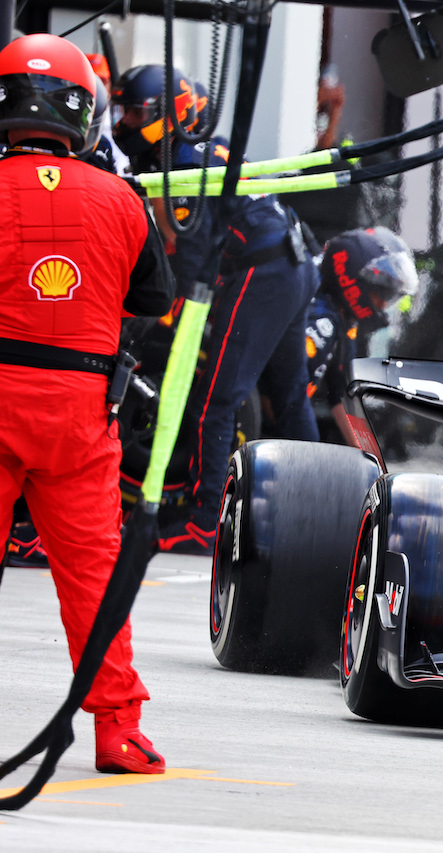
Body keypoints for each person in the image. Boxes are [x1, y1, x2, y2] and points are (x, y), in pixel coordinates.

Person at [0, 34, 174, 772]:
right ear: (84, 111)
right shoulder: (122, 198)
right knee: (95, 577)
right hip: (79, 411)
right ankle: (118, 732)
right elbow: (155, 298)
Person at [112, 64, 321, 555]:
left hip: (262, 272)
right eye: (121, 112)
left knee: (214, 402)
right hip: (294, 262)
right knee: (290, 398)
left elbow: (186, 270)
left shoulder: (184, 172)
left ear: (169, 114)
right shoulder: (201, 148)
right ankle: (319, 518)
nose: (122, 123)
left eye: (133, 113)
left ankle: (206, 524)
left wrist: (135, 321)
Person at [306, 227, 419, 445]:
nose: (383, 305)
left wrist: (369, 456)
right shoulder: (317, 315)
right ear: (354, 276)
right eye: (382, 293)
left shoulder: (344, 318)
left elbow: (342, 392)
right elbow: (282, 393)